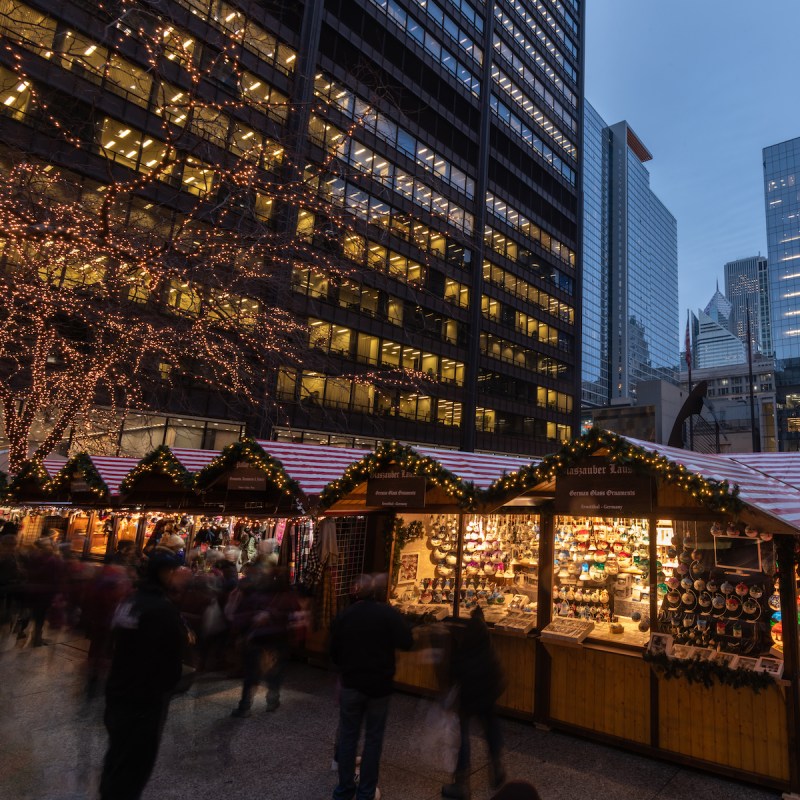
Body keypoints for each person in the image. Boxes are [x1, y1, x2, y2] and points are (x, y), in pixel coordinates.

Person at [98, 549, 189, 800]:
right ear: (163, 574)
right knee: (136, 762)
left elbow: (113, 640)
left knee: (117, 754)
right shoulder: (162, 609)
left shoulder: (129, 601)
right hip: (145, 697)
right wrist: (169, 685)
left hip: (118, 689)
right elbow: (172, 654)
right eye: (172, 571)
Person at [330, 573, 413, 800]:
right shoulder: (387, 614)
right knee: (373, 740)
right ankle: (366, 793)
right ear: (377, 593)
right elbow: (407, 641)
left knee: (348, 737)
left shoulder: (345, 615)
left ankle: (344, 790)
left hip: (352, 684)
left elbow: (333, 651)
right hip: (379, 687)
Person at [442, 606, 506, 799]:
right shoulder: (487, 644)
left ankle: (462, 782)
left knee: (462, 736)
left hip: (469, 693)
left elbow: (454, 669)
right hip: (488, 690)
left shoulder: (463, 644)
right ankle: (497, 765)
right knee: (491, 726)